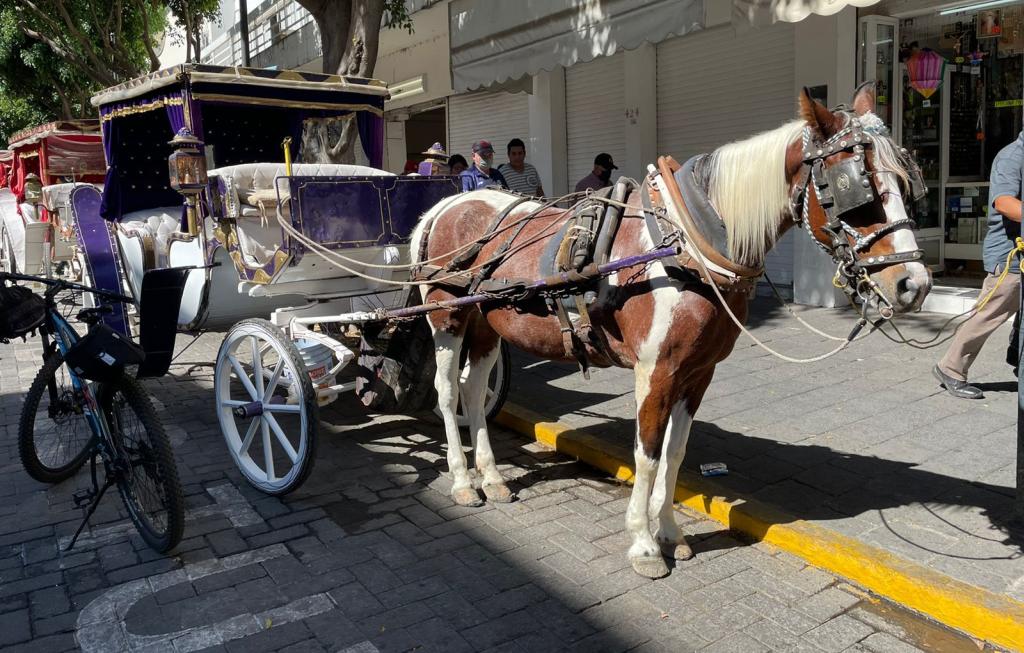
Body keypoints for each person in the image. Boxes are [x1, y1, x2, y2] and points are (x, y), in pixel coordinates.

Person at [934, 128, 1024, 399]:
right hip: (1009, 256)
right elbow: (1004, 203)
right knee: (989, 313)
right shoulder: (1012, 157)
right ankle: (950, 367)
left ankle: (1016, 359)